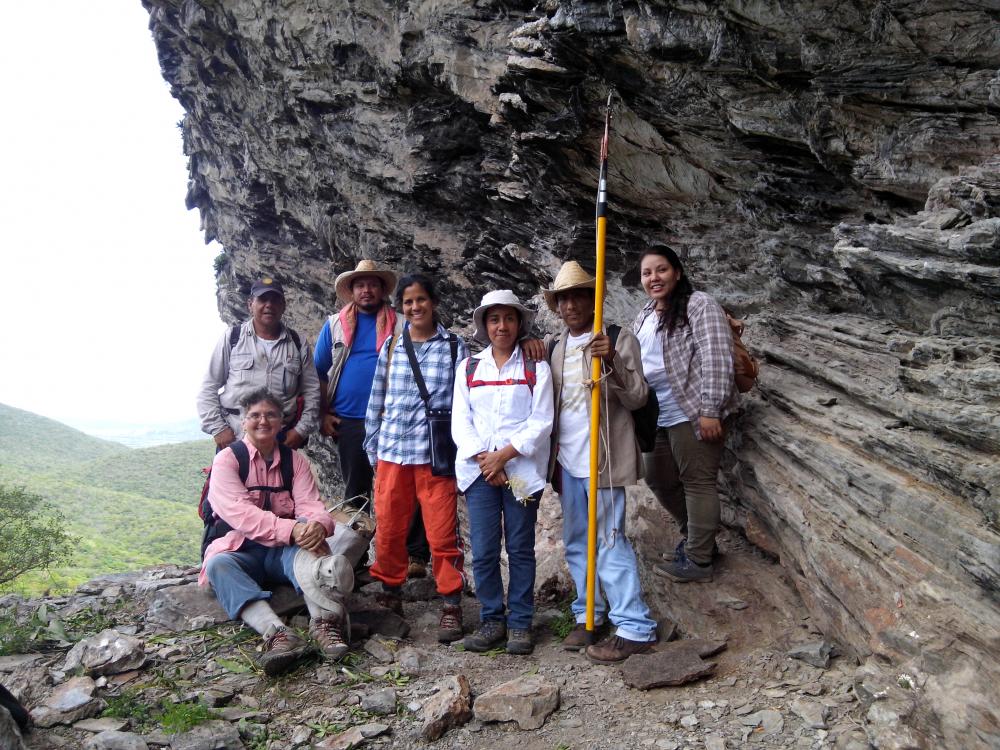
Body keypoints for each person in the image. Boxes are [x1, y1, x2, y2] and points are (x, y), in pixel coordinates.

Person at [543, 261, 659, 664]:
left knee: (609, 540)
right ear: (557, 306)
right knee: (577, 541)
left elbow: (638, 396)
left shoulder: (616, 337)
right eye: (564, 298)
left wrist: (610, 362)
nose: (572, 304)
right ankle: (588, 612)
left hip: (604, 460)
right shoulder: (555, 347)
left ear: (593, 299)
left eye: (579, 295)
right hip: (569, 462)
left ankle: (635, 626)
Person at [200, 388, 353, 676]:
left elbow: (310, 503)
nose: (263, 421)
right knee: (218, 565)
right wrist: (293, 528)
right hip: (240, 547)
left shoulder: (294, 461)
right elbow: (240, 514)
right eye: (255, 415)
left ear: (281, 422)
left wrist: (316, 526)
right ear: (243, 421)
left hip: (285, 551)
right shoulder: (228, 460)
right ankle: (277, 633)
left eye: (271, 415)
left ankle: (324, 624)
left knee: (316, 551)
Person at [363, 273, 469, 643]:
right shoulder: (391, 346)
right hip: (392, 452)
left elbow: (465, 404)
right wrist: (372, 446)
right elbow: (377, 398)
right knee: (390, 530)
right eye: (408, 302)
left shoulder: (455, 348)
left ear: (434, 302)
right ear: (401, 308)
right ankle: (390, 595)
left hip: (435, 456)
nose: (415, 307)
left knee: (442, 533)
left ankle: (451, 604)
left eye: (421, 300)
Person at [313, 260, 432, 579]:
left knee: (406, 487)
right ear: (351, 290)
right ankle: (358, 556)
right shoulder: (335, 325)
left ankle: (415, 555)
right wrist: (323, 413)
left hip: (394, 421)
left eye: (372, 284)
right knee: (357, 490)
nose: (366, 290)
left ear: (382, 289)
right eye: (360, 284)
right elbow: (320, 373)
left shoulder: (399, 323)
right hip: (349, 420)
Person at [452, 290, 553, 655]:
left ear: (519, 323)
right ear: (484, 325)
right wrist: (486, 459)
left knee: (521, 548)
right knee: (483, 550)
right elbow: (460, 422)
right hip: (480, 472)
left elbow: (541, 420)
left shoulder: (534, 367)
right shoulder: (469, 368)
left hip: (522, 470)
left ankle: (521, 623)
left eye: (509, 318)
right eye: (494, 319)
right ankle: (492, 619)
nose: (502, 326)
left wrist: (503, 457)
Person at [633, 245, 739, 582]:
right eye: (647, 273)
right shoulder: (645, 314)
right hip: (657, 412)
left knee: (697, 482)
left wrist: (711, 410)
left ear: (677, 272)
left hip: (691, 409)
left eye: (661, 270)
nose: (654, 278)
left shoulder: (699, 304)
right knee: (658, 478)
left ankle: (698, 561)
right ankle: (697, 541)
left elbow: (717, 356)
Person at [197, 278, 320, 451]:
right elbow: (208, 387)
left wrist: (300, 431)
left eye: (275, 300)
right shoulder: (232, 338)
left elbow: (312, 392)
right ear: (250, 304)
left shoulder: (298, 343)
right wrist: (218, 429)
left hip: (281, 442)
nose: (269, 305)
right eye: (262, 299)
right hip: (235, 439)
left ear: (283, 306)